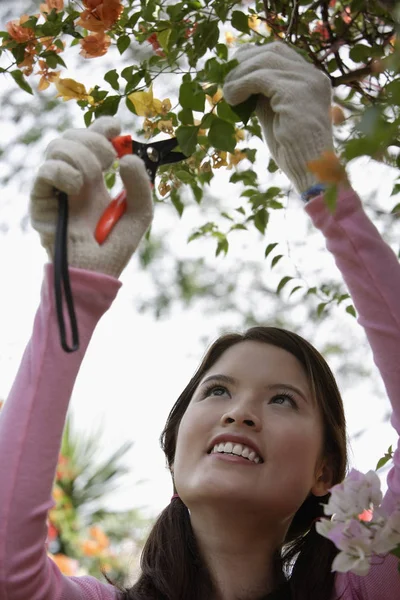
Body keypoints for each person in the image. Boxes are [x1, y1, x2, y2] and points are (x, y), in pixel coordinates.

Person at [0, 41, 399, 600]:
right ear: (176, 444)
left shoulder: (371, 584)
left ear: (326, 472)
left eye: (282, 399)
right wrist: (72, 293)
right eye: (215, 391)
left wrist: (328, 193)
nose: (240, 413)